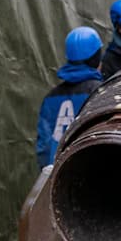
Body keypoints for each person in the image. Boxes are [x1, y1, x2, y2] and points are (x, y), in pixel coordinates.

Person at [36, 27, 104, 169]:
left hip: (53, 174)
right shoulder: (100, 92)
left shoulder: (50, 97)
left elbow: (43, 146)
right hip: (87, 173)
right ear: (96, 57)